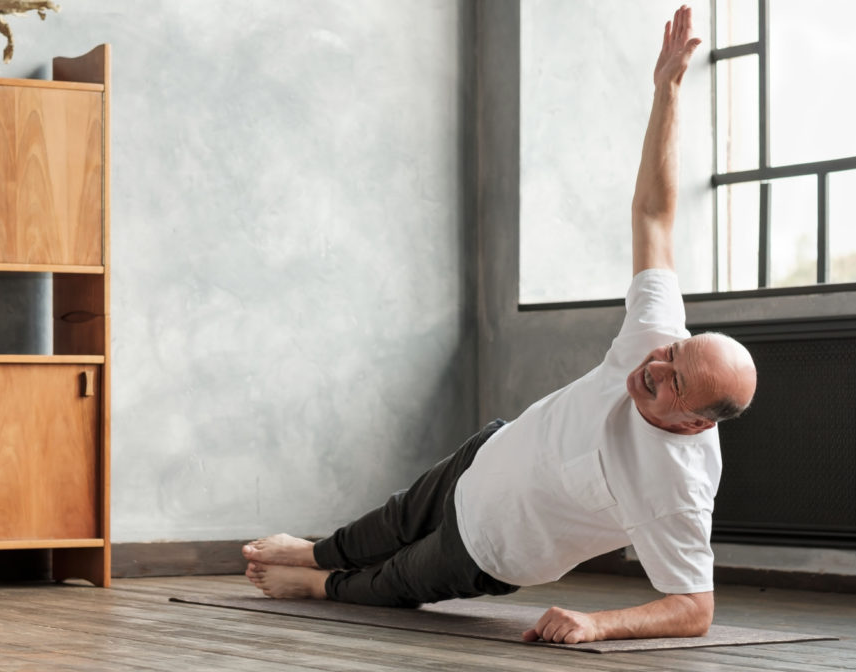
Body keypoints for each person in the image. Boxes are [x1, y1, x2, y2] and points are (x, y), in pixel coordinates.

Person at [241, 5, 757, 645]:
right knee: (394, 517)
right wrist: (667, 90)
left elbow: (694, 608)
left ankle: (318, 584)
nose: (654, 366)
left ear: (696, 422)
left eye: (673, 381)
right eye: (671, 353)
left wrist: (598, 623)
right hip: (488, 454)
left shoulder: (678, 486)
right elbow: (653, 213)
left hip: (492, 547)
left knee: (397, 582)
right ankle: (317, 553)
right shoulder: (654, 338)